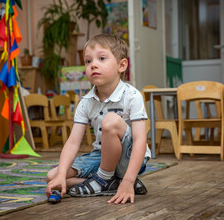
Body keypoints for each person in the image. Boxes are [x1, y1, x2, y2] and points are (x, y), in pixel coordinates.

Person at [45, 34, 151, 204]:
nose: (93, 64)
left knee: (110, 120)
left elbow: (140, 140)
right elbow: (73, 142)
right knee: (53, 176)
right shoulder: (86, 102)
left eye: (101, 58)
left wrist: (129, 180)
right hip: (101, 156)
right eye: (88, 61)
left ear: (122, 65)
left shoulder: (132, 96)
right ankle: (112, 184)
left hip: (129, 158)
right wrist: (60, 175)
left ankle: (109, 179)